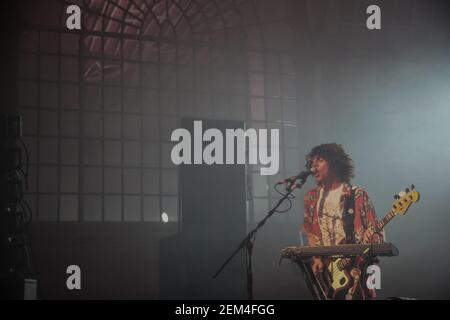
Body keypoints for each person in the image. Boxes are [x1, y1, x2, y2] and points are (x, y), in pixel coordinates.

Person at [302, 143, 384, 299]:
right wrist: (317, 258)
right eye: (312, 161)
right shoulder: (311, 198)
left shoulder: (357, 195)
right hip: (327, 273)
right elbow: (310, 231)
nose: (314, 165)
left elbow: (376, 232)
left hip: (355, 269)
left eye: (319, 160)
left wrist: (370, 236)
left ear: (334, 163)